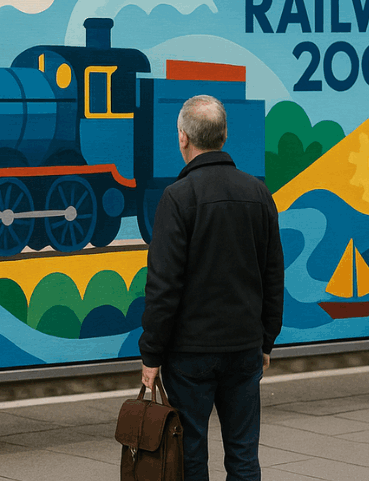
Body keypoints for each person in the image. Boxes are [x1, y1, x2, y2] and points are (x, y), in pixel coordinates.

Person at [139, 94, 285, 481]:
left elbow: (164, 285)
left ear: (184, 138)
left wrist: (151, 353)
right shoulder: (258, 194)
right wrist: (266, 340)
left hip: (190, 355)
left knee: (189, 456)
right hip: (243, 349)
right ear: (223, 136)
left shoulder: (178, 197)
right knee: (243, 456)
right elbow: (273, 275)